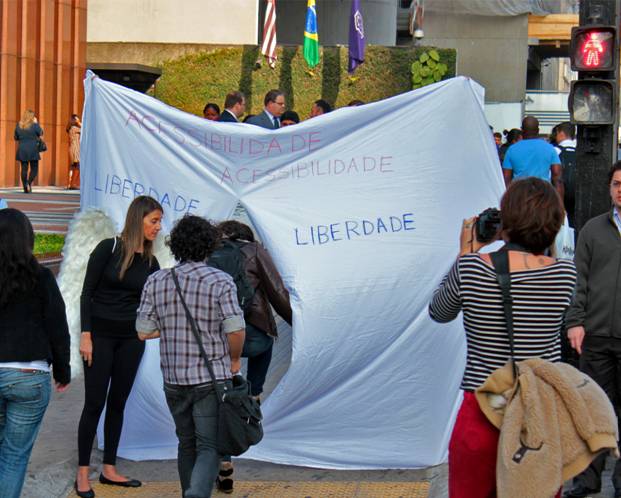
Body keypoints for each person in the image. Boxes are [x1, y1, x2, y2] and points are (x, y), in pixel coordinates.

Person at [428, 177, 577, 498]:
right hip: (539, 417)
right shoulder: (564, 275)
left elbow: (439, 311)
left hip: (482, 411)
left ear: (505, 221)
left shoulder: (471, 268)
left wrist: (466, 252)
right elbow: (544, 263)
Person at [136, 215, 245, 498]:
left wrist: (173, 326)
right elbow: (235, 329)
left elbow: (143, 331)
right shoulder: (221, 281)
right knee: (209, 445)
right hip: (211, 377)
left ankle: (189, 491)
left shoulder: (156, 280)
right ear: (209, 246)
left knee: (186, 443)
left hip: (173, 378)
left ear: (176, 246)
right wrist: (234, 360)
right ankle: (196, 494)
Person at [75, 196, 163, 498]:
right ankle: (82, 473)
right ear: (138, 219)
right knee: (94, 403)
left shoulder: (152, 262)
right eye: (154, 221)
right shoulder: (108, 249)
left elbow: (158, 304)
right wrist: (85, 335)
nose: (158, 227)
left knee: (118, 403)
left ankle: (109, 468)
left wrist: (151, 331)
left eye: (159, 222)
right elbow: (86, 293)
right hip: (99, 337)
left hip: (130, 340)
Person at [213, 220, 292, 493]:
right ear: (246, 236)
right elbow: (277, 291)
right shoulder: (255, 251)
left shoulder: (209, 252)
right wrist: (298, 324)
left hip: (218, 338)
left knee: (221, 400)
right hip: (253, 335)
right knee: (266, 345)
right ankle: (254, 394)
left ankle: (224, 461)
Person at [0, 208, 70, 498]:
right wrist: (62, 370)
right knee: (14, 457)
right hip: (30, 375)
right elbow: (57, 325)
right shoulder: (41, 277)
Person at [563, 161, 621, 498]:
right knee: (593, 412)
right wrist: (575, 322)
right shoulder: (592, 230)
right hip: (596, 335)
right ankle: (587, 480)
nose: (619, 189)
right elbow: (578, 281)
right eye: (615, 183)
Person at [502, 116, 564, 198]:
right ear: (538, 130)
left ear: (522, 130)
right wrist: (560, 205)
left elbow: (506, 178)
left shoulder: (512, 150)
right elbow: (557, 177)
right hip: (543, 196)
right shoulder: (549, 148)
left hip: (520, 196)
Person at [554, 121, 577, 227]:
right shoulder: (580, 150)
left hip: (559, 194)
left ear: (561, 133)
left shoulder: (555, 151)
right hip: (577, 194)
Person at [14, 110, 44, 193]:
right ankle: (29, 183)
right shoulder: (35, 125)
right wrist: (36, 123)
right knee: (34, 168)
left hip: (22, 149)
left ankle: (25, 187)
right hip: (33, 149)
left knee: (24, 169)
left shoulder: (19, 125)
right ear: (32, 117)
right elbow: (41, 133)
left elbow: (16, 137)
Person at [66, 114, 81, 190]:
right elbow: (84, 129)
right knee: (77, 166)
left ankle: (69, 184)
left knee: (73, 166)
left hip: (72, 148)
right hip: (75, 148)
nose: (78, 120)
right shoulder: (75, 128)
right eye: (77, 119)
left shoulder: (70, 128)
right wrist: (79, 123)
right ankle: (73, 184)